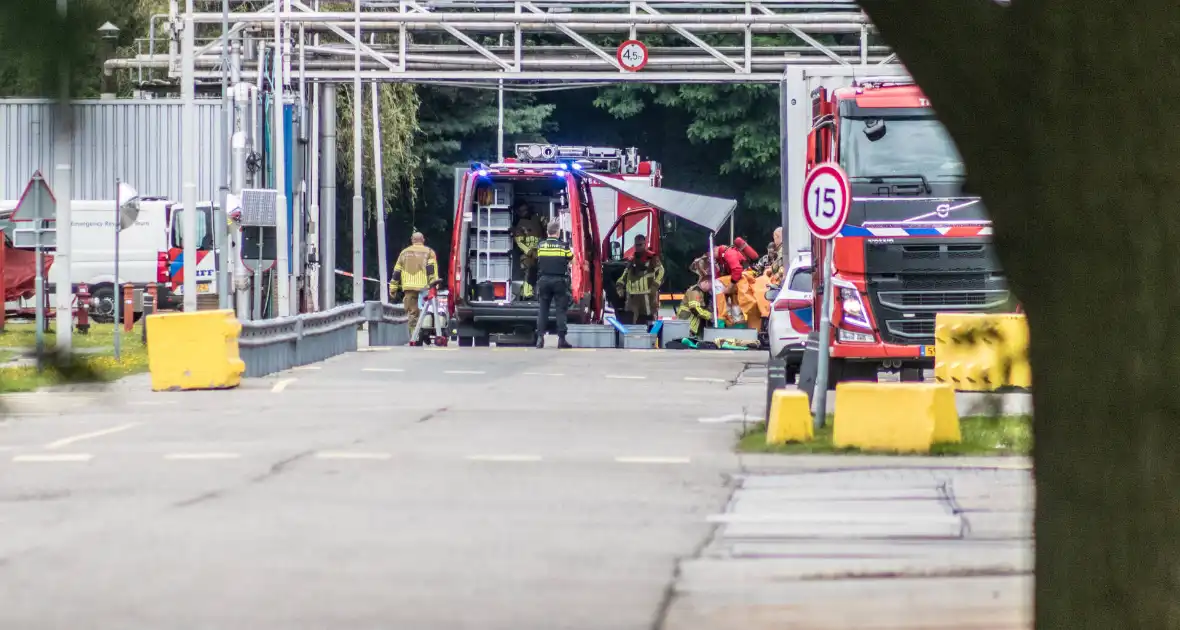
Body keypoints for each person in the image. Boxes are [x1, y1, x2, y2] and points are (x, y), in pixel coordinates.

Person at [390, 232, 439, 336]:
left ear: (412, 240)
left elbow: (396, 272)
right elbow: (431, 271)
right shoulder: (429, 252)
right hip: (425, 287)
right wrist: (434, 285)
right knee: (427, 311)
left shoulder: (404, 253)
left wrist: (393, 288)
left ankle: (414, 335)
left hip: (409, 288)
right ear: (423, 240)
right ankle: (424, 331)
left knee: (412, 313)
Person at [533, 222, 574, 349]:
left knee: (543, 310)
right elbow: (572, 260)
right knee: (560, 310)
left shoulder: (541, 246)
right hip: (559, 281)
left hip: (544, 280)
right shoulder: (563, 246)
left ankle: (540, 338)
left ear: (547, 232)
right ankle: (561, 339)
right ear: (558, 232)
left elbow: (539, 259)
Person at [615, 234, 665, 326]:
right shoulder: (632, 259)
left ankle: (648, 339)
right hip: (632, 298)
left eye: (640, 245)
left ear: (645, 244)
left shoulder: (652, 258)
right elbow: (624, 275)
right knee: (630, 323)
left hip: (646, 297)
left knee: (647, 322)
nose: (638, 247)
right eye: (636, 245)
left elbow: (661, 271)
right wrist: (620, 287)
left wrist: (655, 285)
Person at [511, 200, 546, 299]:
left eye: (526, 209)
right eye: (522, 210)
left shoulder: (537, 219)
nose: (525, 212)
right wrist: (529, 252)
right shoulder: (519, 224)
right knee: (529, 269)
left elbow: (546, 232)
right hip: (527, 254)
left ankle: (541, 293)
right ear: (518, 212)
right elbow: (519, 243)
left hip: (541, 252)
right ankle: (527, 293)